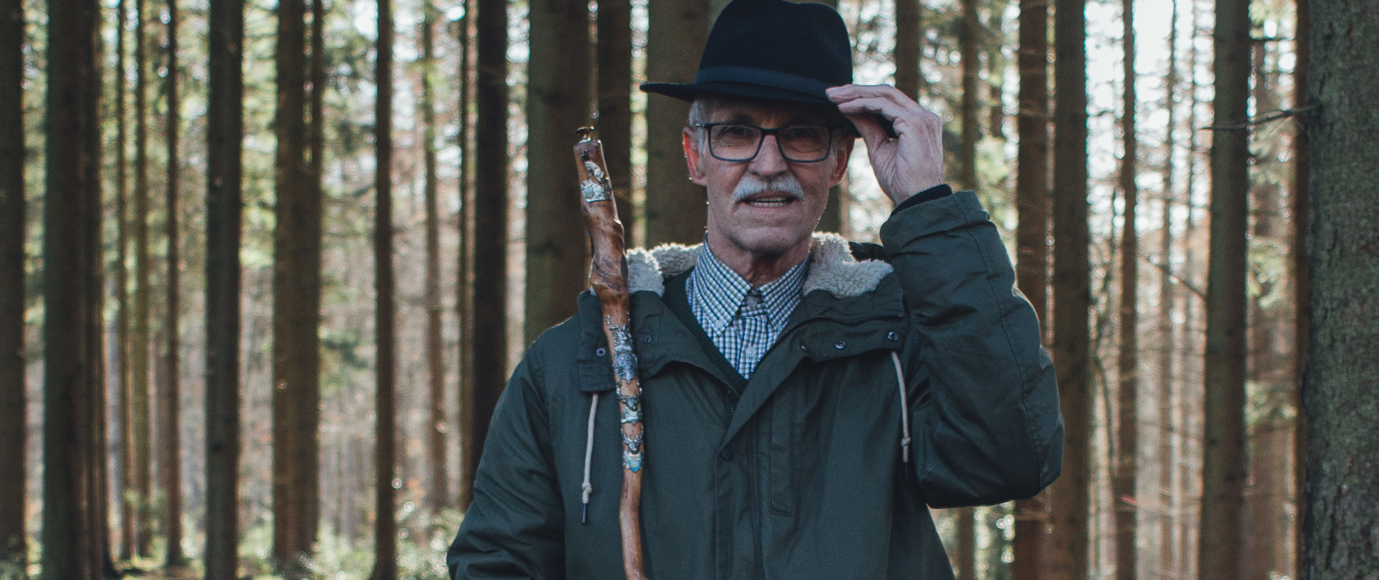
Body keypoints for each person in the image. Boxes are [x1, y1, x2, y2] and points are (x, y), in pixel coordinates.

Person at [447, 0, 1062, 576]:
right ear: (694, 156)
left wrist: (927, 206)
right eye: (737, 132)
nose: (769, 164)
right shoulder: (575, 365)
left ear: (840, 162)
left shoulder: (901, 346)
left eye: (801, 135)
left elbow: (1014, 456)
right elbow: (497, 562)